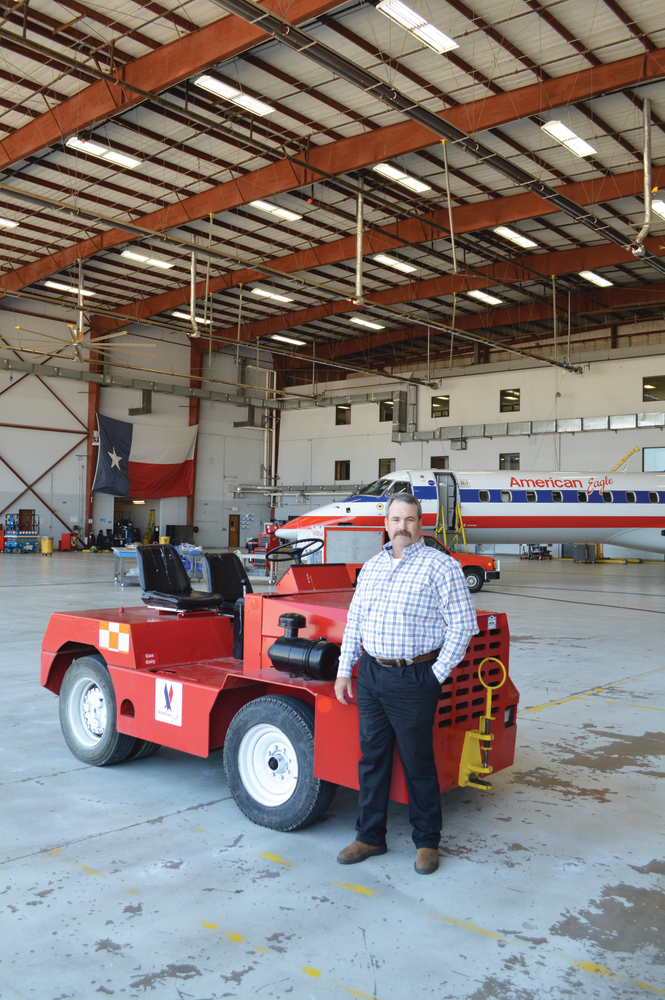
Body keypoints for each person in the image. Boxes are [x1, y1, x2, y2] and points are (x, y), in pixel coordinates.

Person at [334, 493, 477, 875]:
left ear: (420, 524)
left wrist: (434, 674)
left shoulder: (441, 566)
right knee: (372, 758)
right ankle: (370, 836)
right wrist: (345, 670)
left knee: (417, 762)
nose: (402, 527)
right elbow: (355, 621)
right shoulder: (372, 567)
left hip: (414, 676)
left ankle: (427, 841)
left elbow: (463, 626)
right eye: (396, 519)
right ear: (386, 524)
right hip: (371, 674)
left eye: (409, 519)